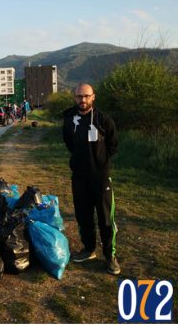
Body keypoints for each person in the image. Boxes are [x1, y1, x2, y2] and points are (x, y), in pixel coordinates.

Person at [62, 83, 120, 275]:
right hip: (79, 177)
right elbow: (69, 142)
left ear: (93, 97)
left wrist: (99, 161)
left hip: (100, 178)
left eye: (86, 96)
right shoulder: (69, 118)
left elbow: (113, 145)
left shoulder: (104, 120)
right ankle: (88, 249)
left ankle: (110, 256)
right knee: (83, 216)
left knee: (105, 219)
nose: (83, 100)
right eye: (79, 96)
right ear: (74, 97)